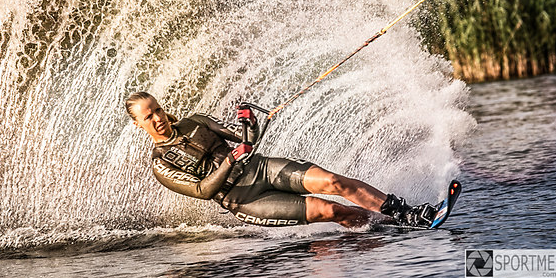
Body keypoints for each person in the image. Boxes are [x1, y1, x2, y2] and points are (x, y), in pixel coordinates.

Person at [124, 91, 437, 228]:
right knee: (331, 210)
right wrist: (231, 160)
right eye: (148, 117)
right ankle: (385, 224)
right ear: (139, 124)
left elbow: (244, 139)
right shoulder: (161, 164)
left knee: (332, 182)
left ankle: (406, 213)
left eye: (158, 110)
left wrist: (248, 122)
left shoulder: (195, 121)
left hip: (261, 168)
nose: (157, 118)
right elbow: (204, 191)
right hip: (245, 199)